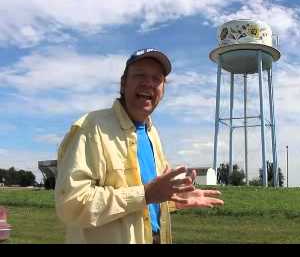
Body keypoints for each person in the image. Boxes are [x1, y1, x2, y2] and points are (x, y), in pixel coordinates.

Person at [55, 48, 224, 244]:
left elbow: (149, 201)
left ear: (163, 89)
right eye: (140, 75)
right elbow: (71, 205)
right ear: (123, 83)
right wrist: (145, 194)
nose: (148, 83)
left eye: (157, 78)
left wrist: (176, 198)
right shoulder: (92, 128)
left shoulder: (152, 134)